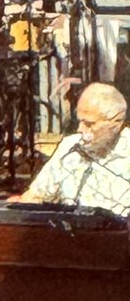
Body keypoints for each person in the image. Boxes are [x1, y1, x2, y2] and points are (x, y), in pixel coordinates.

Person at [14, 83, 130, 212]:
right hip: (69, 228)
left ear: (116, 123)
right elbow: (36, 196)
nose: (80, 130)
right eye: (80, 121)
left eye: (89, 124)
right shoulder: (69, 146)